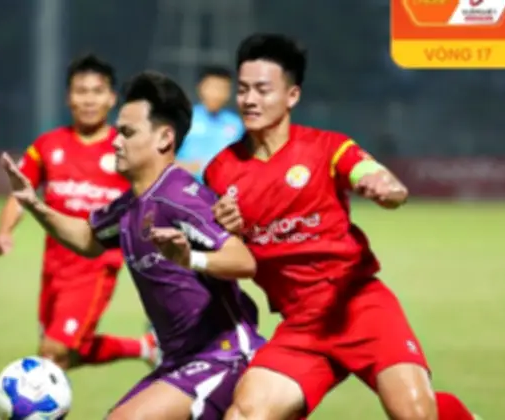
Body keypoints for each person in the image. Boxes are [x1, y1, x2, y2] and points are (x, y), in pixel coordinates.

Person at [204, 33, 479, 420]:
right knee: (244, 416)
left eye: (263, 90)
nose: (249, 100)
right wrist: (225, 231)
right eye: (243, 89)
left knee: (416, 413)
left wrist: (385, 187)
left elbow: (372, 174)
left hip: (359, 306)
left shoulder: (326, 147)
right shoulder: (219, 172)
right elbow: (228, 256)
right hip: (302, 325)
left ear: (292, 96)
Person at [0, 70, 264, 420]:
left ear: (164, 138)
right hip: (178, 361)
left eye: (127, 132)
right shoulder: (130, 205)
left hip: (223, 356)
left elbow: (243, 260)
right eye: (117, 131)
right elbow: (88, 238)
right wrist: (34, 204)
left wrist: (191, 259)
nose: (115, 141)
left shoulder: (180, 195)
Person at [0, 54, 155, 370]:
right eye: (81, 91)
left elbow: (152, 193)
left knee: (53, 351)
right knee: (64, 352)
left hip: (96, 265)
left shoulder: (126, 148)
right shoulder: (47, 145)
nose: (89, 100)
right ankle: (146, 348)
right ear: (69, 97)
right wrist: (5, 231)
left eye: (97, 91)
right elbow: (20, 195)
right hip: (54, 266)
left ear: (112, 98)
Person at [176, 65, 244, 182]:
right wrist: (189, 167)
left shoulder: (238, 124)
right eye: (212, 87)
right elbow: (163, 158)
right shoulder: (184, 118)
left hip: (221, 188)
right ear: (200, 88)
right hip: (185, 186)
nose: (216, 94)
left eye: (222, 89)